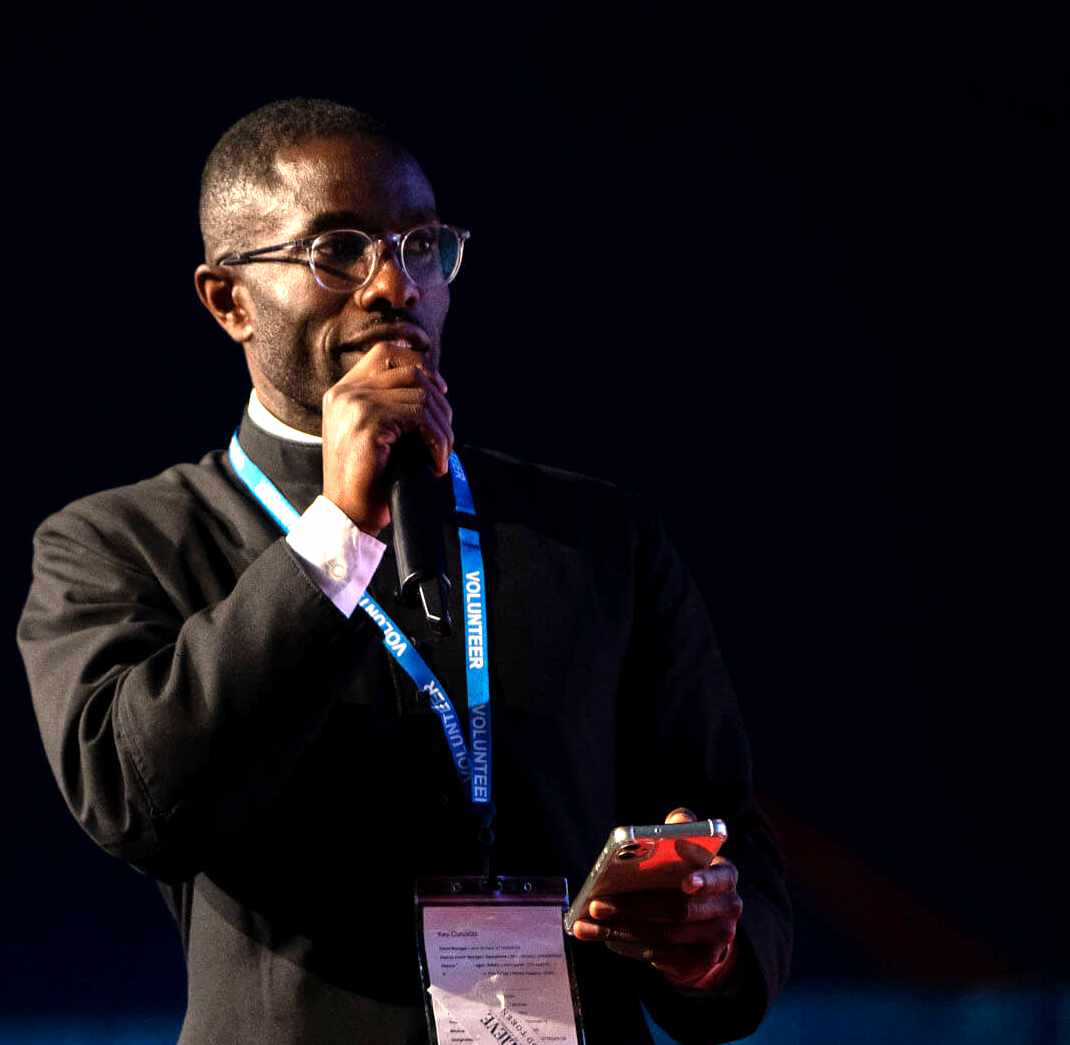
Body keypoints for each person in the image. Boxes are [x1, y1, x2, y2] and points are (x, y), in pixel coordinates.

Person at [17, 98, 791, 1044]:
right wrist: (335, 534)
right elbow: (131, 798)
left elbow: (727, 829)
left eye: (421, 246)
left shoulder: (597, 538)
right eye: (338, 251)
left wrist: (706, 941)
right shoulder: (120, 543)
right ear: (229, 301)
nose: (394, 285)